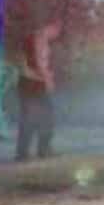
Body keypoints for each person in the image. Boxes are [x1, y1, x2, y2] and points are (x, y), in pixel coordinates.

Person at [16, 16, 62, 161]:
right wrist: (47, 79)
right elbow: (40, 63)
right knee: (43, 117)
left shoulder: (32, 38)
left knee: (33, 118)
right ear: (51, 27)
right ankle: (41, 149)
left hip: (28, 83)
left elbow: (25, 61)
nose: (57, 34)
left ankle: (25, 151)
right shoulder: (39, 40)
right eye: (57, 30)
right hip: (34, 84)